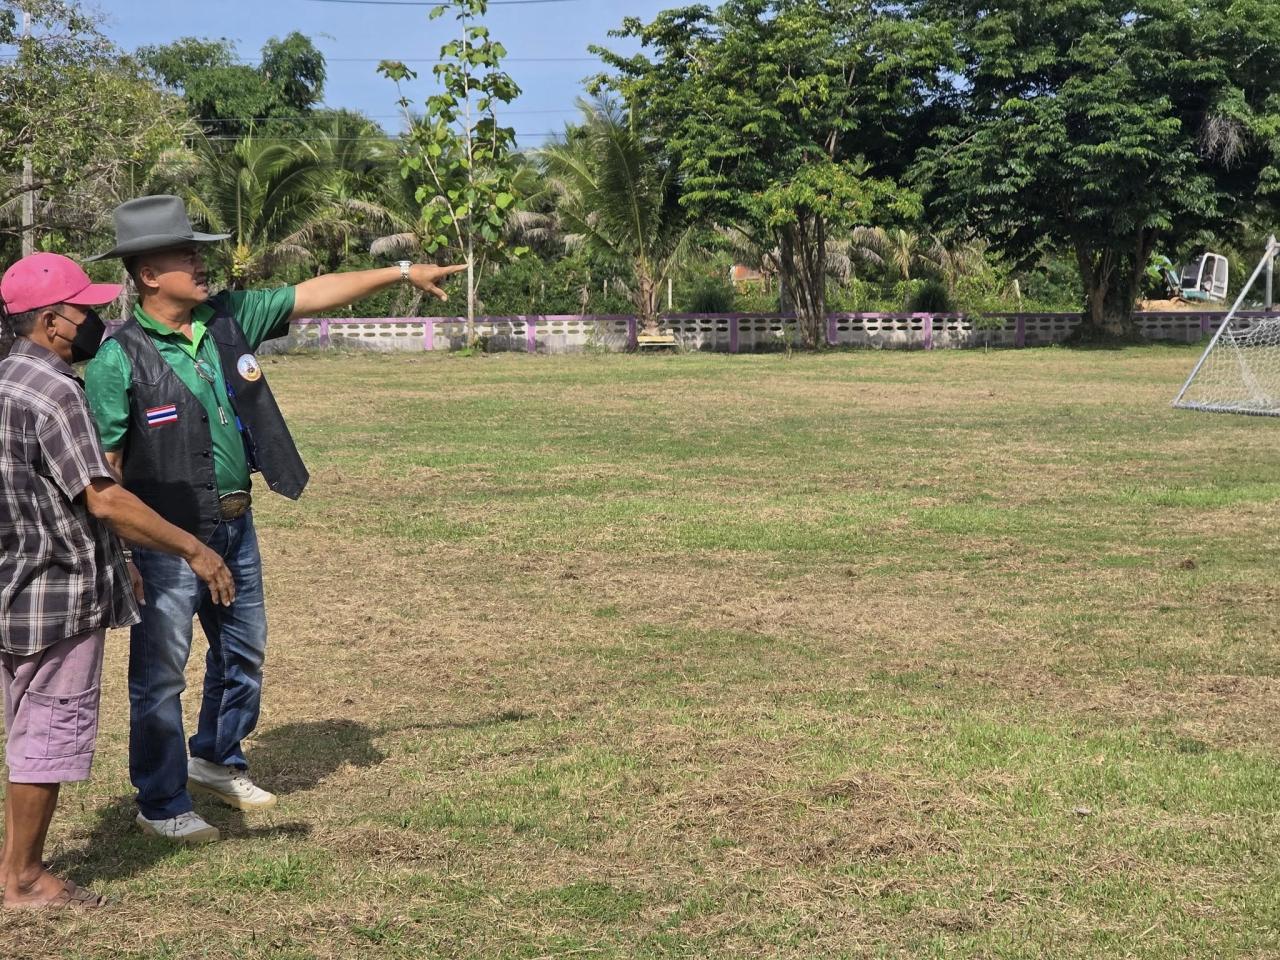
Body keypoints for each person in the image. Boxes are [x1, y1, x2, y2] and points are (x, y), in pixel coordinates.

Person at [83, 195, 464, 843]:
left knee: (242, 652)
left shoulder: (228, 318)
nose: (201, 262)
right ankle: (162, 800)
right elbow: (108, 469)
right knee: (160, 674)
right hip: (167, 538)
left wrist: (402, 273)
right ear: (148, 273)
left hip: (234, 521)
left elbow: (312, 293)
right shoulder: (119, 357)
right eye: (185, 253)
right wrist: (122, 554)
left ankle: (215, 757)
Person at [0, 253, 234, 908]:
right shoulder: (55, 391)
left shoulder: (7, 380)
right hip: (57, 594)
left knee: (25, 726)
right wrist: (194, 548)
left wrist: (119, 556)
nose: (97, 320)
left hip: (12, 584)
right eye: (86, 310)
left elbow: (48, 491)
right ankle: (21, 878)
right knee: (47, 733)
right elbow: (101, 496)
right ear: (51, 321)